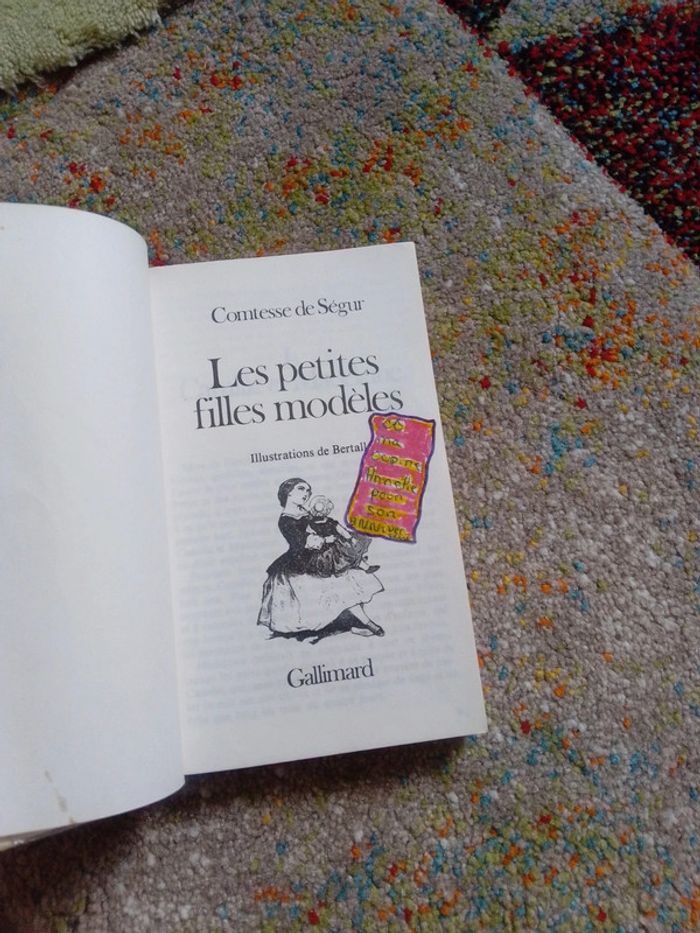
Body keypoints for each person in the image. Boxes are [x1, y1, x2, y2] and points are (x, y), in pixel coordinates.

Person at [257, 478, 384, 642]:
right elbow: (301, 542)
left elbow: (323, 526)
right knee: (336, 590)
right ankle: (366, 623)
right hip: (304, 562)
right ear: (288, 492)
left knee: (347, 584)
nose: (307, 493)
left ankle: (364, 623)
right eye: (301, 489)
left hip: (325, 556)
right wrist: (325, 539)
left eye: (308, 490)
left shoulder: (306, 512)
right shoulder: (286, 520)